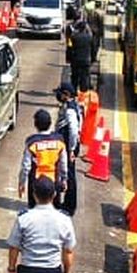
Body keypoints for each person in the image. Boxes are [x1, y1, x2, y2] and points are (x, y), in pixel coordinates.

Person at [18, 109, 68, 210]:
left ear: (36, 124)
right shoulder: (59, 140)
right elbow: (63, 163)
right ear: (50, 123)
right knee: (55, 209)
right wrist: (64, 179)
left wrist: (22, 183)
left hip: (36, 183)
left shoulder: (32, 142)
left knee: (34, 209)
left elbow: (26, 167)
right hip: (54, 181)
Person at [54, 83, 83, 216]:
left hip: (68, 145)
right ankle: (65, 203)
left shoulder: (70, 110)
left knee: (68, 175)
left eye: (61, 93)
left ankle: (69, 206)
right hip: (70, 145)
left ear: (67, 95)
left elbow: (73, 129)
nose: (59, 95)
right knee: (67, 173)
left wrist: (71, 149)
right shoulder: (74, 106)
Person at [66, 17, 93, 92]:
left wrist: (68, 58)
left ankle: (74, 92)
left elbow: (69, 48)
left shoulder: (73, 37)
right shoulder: (89, 37)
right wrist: (92, 58)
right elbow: (93, 48)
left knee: (74, 77)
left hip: (75, 60)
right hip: (86, 60)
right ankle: (83, 93)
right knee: (84, 77)